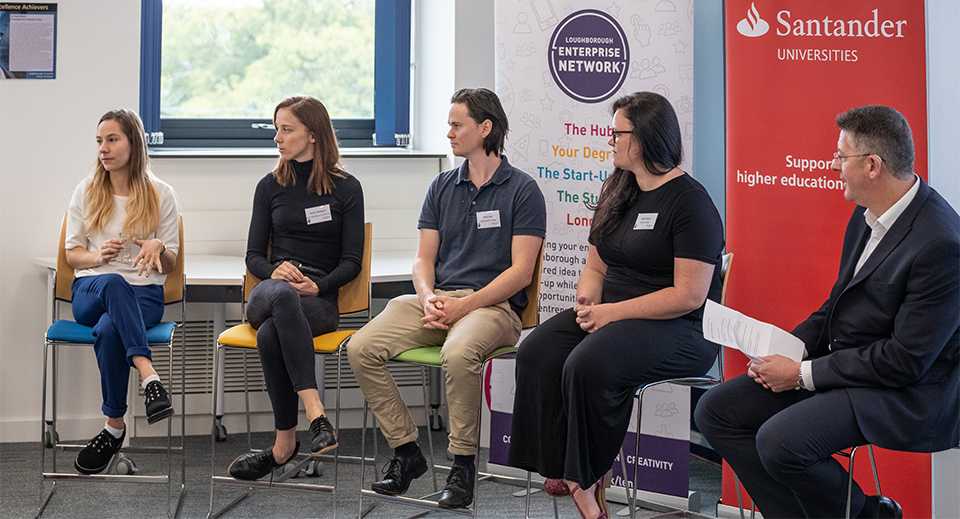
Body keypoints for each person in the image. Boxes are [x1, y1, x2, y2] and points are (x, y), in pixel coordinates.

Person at [694, 105, 960, 519]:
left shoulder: (941, 243)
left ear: (873, 165)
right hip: (850, 366)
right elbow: (835, 305)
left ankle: (870, 515)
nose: (833, 165)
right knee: (717, 412)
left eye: (841, 156)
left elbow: (906, 361)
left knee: (782, 441)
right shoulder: (866, 214)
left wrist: (800, 374)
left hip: (906, 391)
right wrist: (784, 349)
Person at [507, 91, 724, 519]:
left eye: (616, 133)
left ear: (641, 140)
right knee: (536, 352)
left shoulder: (691, 203)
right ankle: (558, 463)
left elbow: (689, 295)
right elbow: (594, 265)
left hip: (679, 328)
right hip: (614, 314)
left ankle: (583, 483)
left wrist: (608, 314)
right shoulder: (619, 189)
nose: (610, 141)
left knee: (587, 364)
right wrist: (588, 298)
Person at [348, 88, 546, 509]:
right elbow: (422, 259)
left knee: (457, 355)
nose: (449, 133)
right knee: (361, 346)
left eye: (457, 125)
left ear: (485, 128)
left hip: (494, 308)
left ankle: (462, 465)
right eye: (449, 124)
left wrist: (463, 306)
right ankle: (406, 452)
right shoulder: (441, 186)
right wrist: (427, 297)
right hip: (437, 301)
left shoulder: (523, 191)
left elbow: (521, 274)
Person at [227, 96, 365, 481]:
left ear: (314, 134)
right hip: (270, 292)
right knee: (281, 299)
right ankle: (316, 413)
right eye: (277, 129)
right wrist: (276, 270)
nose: (277, 138)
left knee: (272, 334)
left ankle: (282, 446)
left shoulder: (347, 188)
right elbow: (253, 256)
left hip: (317, 301)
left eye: (286, 129)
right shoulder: (269, 187)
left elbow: (352, 262)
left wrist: (316, 285)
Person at [65, 109, 180, 475]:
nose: (104, 148)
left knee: (109, 329)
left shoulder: (162, 193)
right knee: (114, 282)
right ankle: (150, 376)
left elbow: (172, 262)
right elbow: (71, 254)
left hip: (144, 294)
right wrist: (99, 255)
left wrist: (158, 247)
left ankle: (113, 426)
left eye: (112, 140)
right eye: (100, 141)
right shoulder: (86, 190)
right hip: (92, 288)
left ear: (134, 143)